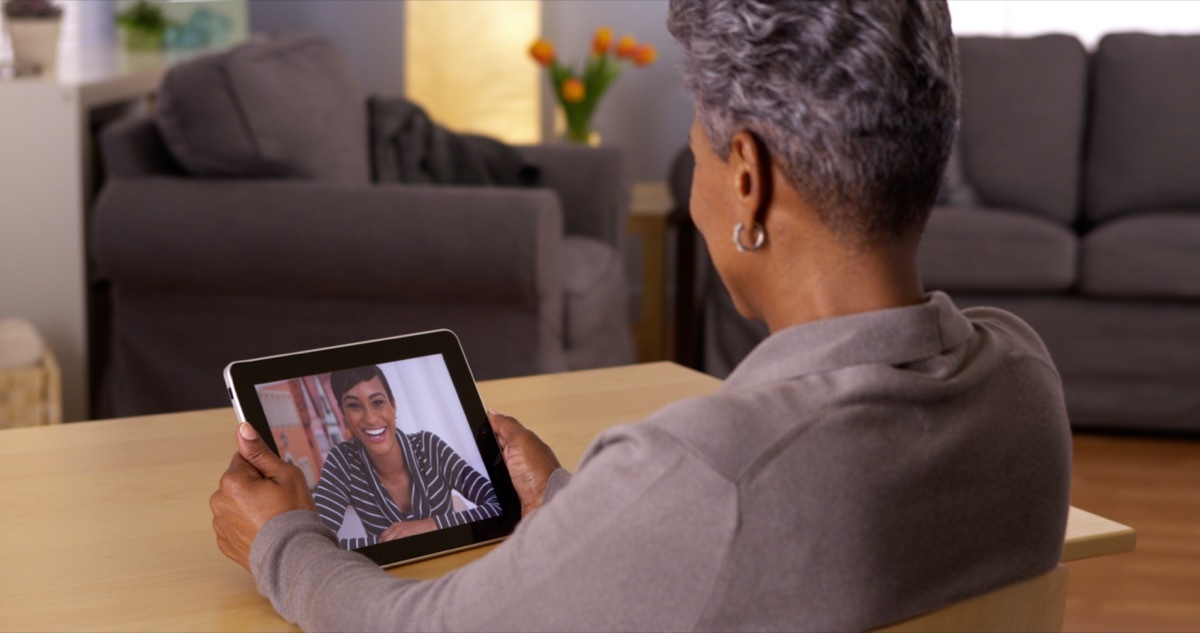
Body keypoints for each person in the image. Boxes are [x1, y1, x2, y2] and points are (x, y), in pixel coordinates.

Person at [210, 1, 1071, 630]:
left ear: (748, 180)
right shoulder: (1025, 383)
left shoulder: (701, 471)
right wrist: (570, 505)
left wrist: (281, 540)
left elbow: (421, 627)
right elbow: (734, 569)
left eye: (697, 147)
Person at [313, 365, 501, 549]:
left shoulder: (429, 447)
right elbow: (314, 542)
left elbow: (498, 503)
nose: (370, 418)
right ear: (343, 413)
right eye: (354, 406)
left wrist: (432, 525)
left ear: (393, 405)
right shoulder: (342, 461)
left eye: (377, 402)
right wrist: (383, 545)